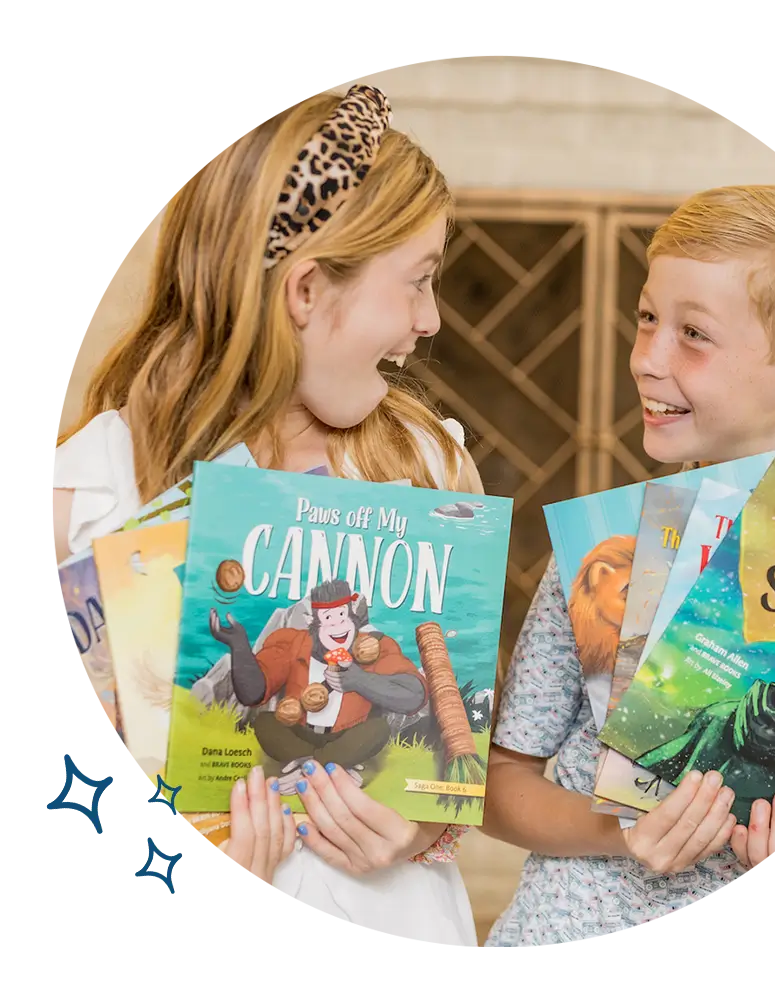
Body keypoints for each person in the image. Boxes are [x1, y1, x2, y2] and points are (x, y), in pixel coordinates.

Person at [48, 85, 482, 951]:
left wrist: (424, 827)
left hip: (399, 929)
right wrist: (192, 869)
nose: (428, 324)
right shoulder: (82, 496)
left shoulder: (428, 460)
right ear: (308, 290)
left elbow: (460, 742)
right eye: (419, 283)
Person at [481, 185, 775, 950]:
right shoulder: (609, 551)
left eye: (692, 334)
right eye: (646, 318)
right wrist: (623, 832)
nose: (646, 359)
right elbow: (499, 787)